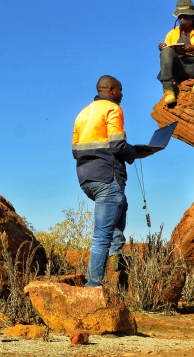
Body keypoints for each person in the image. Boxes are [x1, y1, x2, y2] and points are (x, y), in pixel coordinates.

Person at [72, 75, 152, 287]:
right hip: (108, 176)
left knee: (120, 206)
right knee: (101, 235)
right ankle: (93, 285)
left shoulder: (82, 114)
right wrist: (134, 154)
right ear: (111, 89)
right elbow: (117, 145)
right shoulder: (112, 109)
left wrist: (128, 150)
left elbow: (75, 150)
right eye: (120, 90)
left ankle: (116, 255)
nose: (122, 95)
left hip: (87, 179)